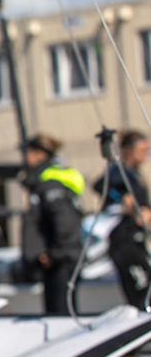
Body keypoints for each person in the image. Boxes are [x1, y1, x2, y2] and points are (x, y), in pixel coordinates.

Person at [21, 134, 85, 316]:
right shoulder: (47, 183)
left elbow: (66, 224)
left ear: (38, 155)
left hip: (59, 264)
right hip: (56, 263)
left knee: (61, 318)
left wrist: (54, 255)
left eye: (27, 153)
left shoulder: (51, 186)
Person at [95, 129, 151, 313]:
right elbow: (100, 186)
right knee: (140, 288)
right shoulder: (119, 172)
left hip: (136, 238)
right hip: (124, 241)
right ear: (128, 150)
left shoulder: (135, 174)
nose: (145, 156)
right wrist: (123, 200)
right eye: (141, 151)